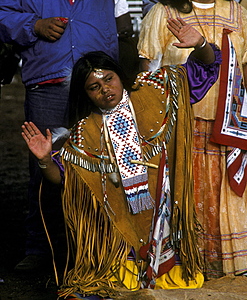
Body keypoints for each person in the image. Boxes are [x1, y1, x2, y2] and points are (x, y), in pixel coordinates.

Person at [21, 38, 221, 298]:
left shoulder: (154, 91)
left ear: (118, 74)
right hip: (121, 228)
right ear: (86, 94)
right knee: (116, 286)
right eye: (94, 87)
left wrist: (201, 43)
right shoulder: (85, 133)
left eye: (109, 79)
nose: (105, 89)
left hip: (164, 212)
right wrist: (45, 159)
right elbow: (63, 177)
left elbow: (205, 68)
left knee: (181, 283)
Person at [0, 0, 146, 272]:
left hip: (94, 83)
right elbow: (3, 16)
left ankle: (106, 246)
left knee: (104, 161)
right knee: (46, 162)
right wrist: (33, 25)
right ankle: (42, 249)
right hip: (48, 83)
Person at [138, 0, 247, 279]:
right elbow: (146, 68)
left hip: (227, 122)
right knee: (183, 187)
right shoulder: (165, 13)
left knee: (223, 193)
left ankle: (224, 266)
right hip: (180, 123)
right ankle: (183, 260)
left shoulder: (237, 12)